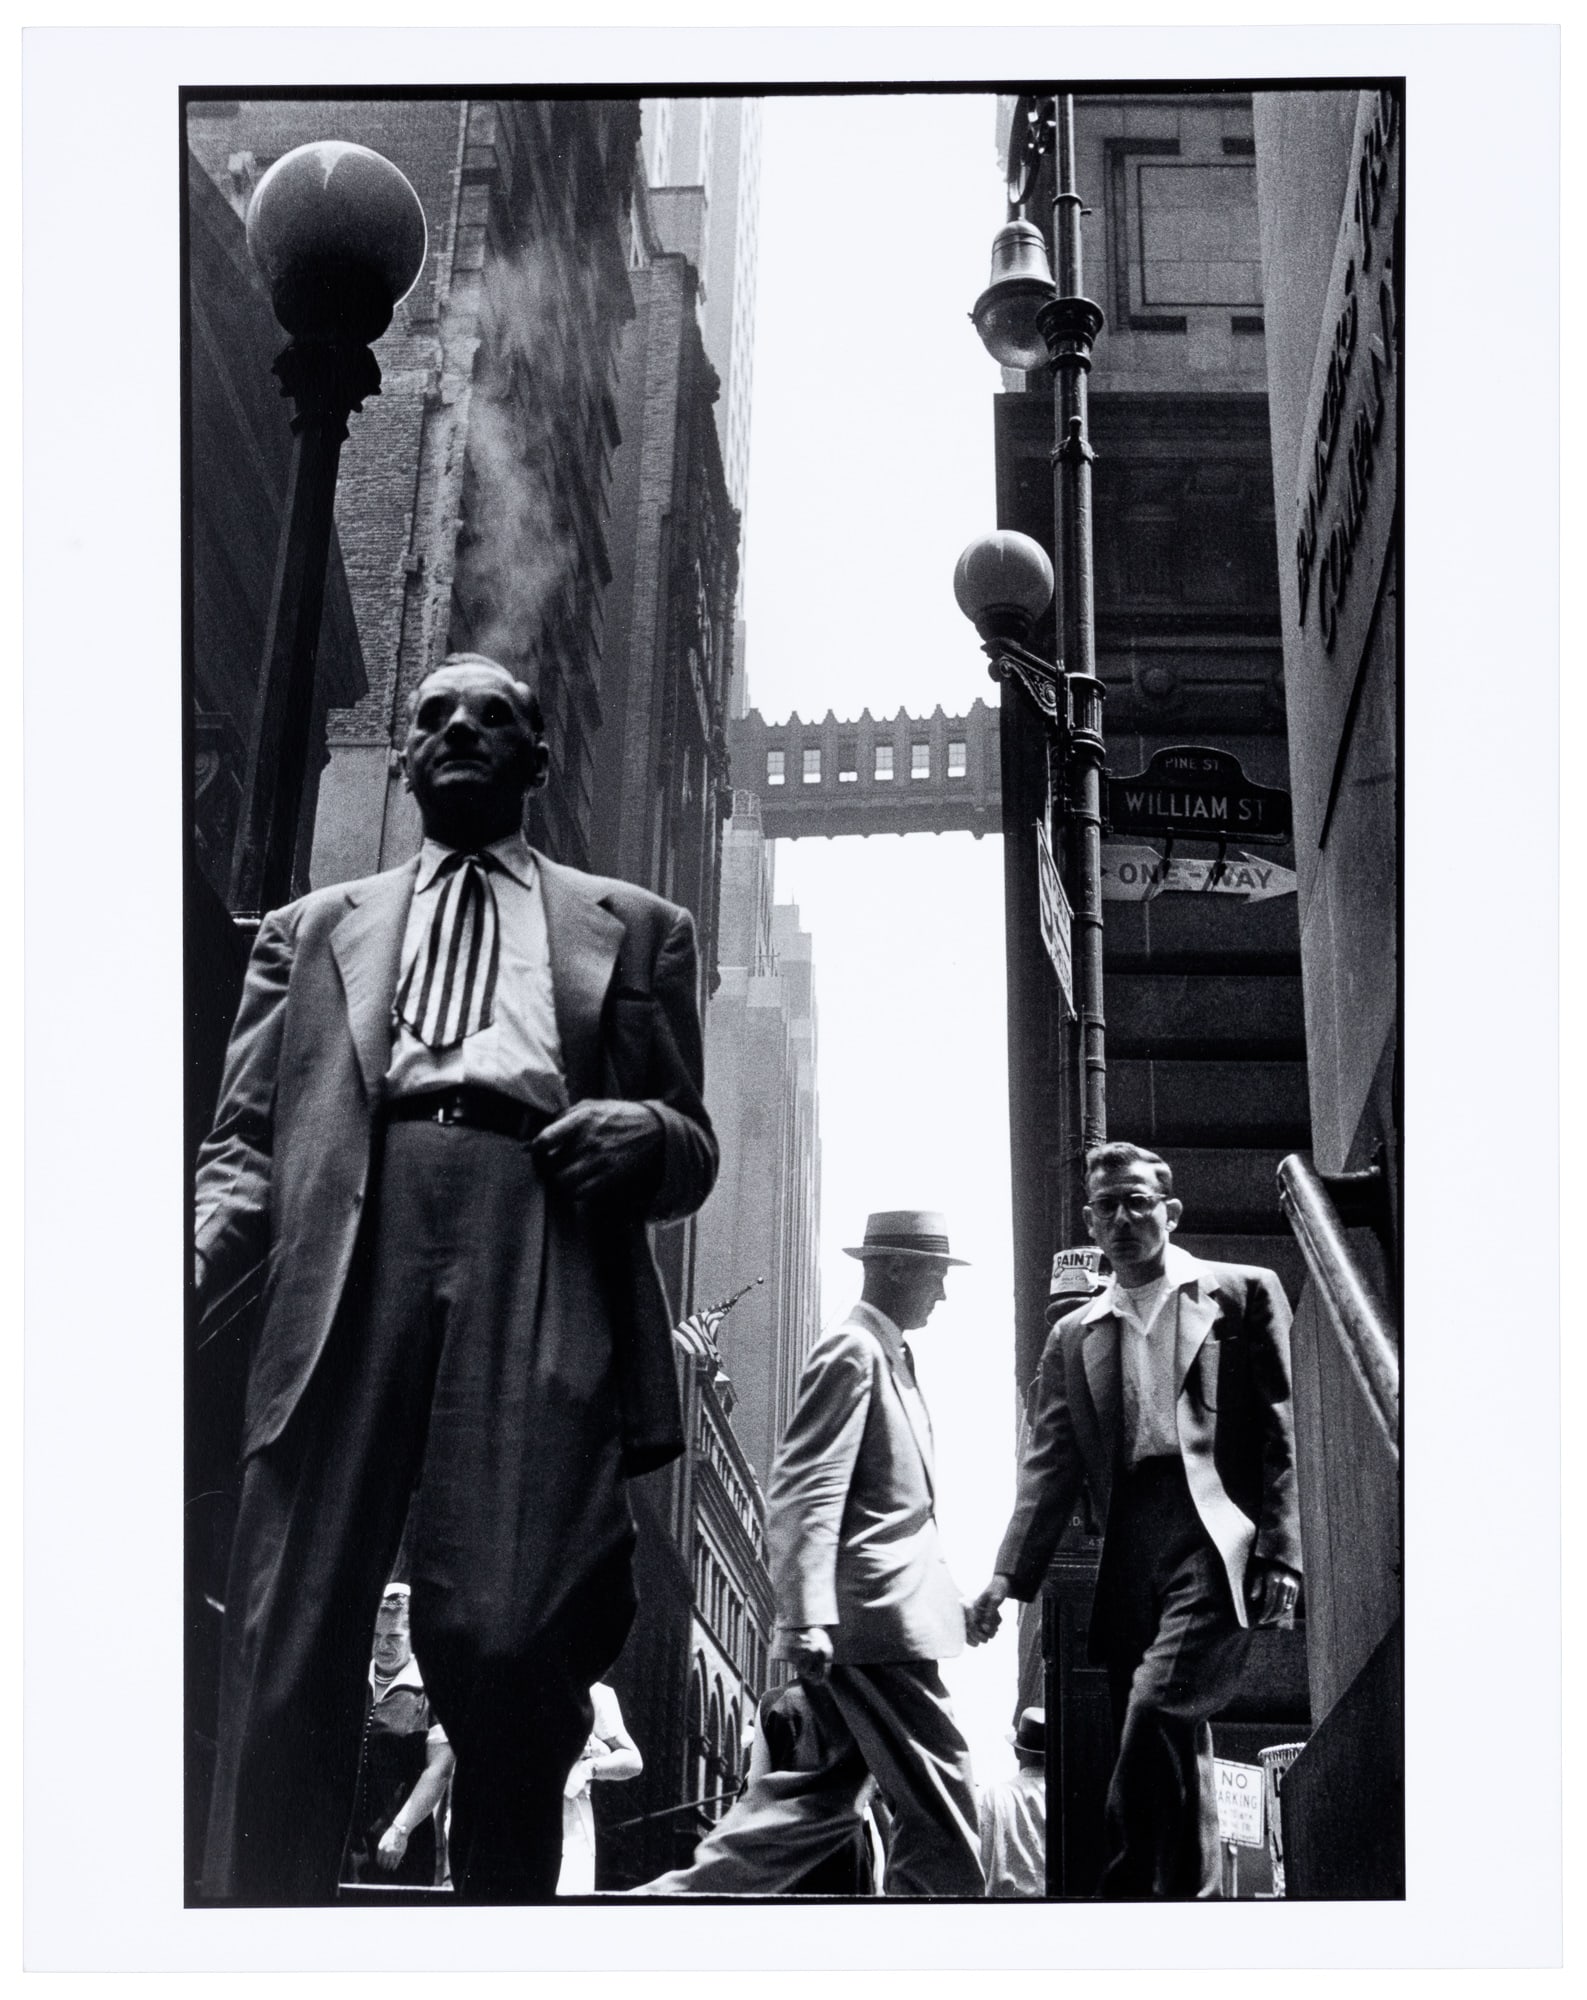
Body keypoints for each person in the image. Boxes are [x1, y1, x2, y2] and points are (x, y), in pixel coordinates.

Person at [195, 653, 718, 1903]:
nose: (462, 727)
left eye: (498, 716)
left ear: (538, 760)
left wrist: (640, 1131)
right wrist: (187, 1263)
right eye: (435, 714)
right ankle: (249, 1937)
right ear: (412, 749)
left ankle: (497, 1933)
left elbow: (691, 1143)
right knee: (285, 1631)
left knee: (509, 1633)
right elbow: (242, 1141)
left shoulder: (638, 927)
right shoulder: (309, 930)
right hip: (345, 1247)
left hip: (535, 1223)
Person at [968, 1143, 1302, 1900]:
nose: (1120, 1218)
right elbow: (1048, 1467)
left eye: (1136, 1202)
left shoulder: (1244, 1292)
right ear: (1090, 1220)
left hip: (1215, 1532)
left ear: (1169, 1212)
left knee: (1154, 1709)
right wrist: (1003, 1577)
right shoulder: (1074, 1334)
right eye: (1105, 1207)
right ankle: (1195, 1901)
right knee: (1171, 1729)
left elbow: (1282, 1429)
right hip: (1131, 1545)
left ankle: (1126, 1900)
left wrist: (1283, 1551)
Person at [640, 1211, 986, 1897]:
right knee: (944, 1806)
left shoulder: (891, 1357)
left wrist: (951, 1605)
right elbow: (805, 1486)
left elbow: (896, 1515)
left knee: (811, 1801)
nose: (941, 1294)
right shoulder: (851, 1350)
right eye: (935, 1275)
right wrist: (804, 1617)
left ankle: (666, 1907)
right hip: (874, 1626)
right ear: (894, 1268)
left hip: (886, 1616)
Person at [342, 1583, 455, 1889]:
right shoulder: (350, 1681)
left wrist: (401, 1829)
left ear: (414, 1637)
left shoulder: (432, 1690)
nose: (382, 1646)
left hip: (401, 1844)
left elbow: (439, 1769)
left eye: (394, 1637)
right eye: (376, 1636)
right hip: (347, 1843)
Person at [556, 1681, 642, 1894]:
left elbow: (633, 1760)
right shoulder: (514, 1677)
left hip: (570, 1816)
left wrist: (590, 1767)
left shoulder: (593, 1691)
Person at [976, 1707, 1047, 1898]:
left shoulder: (993, 1796)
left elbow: (982, 1862)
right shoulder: (1065, 1797)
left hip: (1006, 1911)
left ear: (1017, 1751)